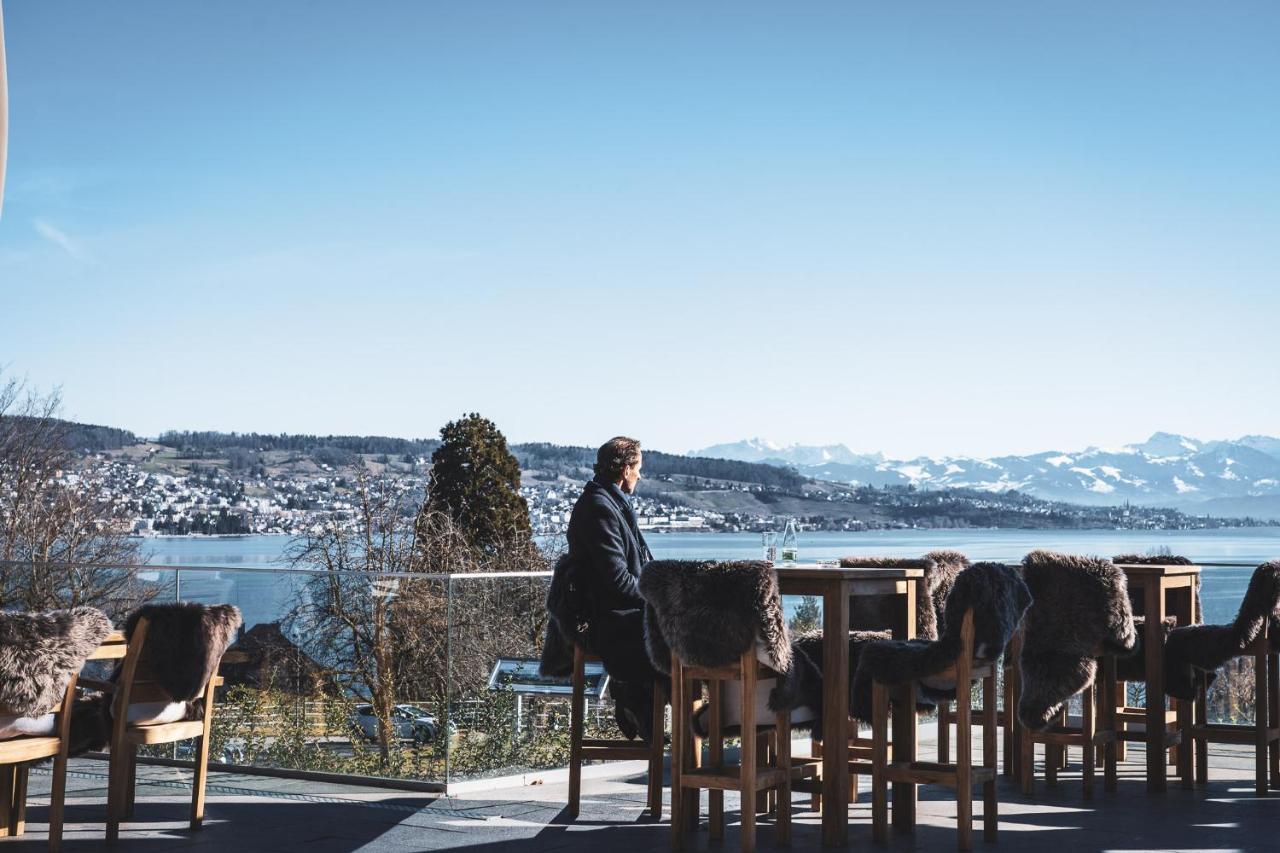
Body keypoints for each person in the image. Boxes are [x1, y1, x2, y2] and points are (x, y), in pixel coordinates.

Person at [566, 436, 662, 741]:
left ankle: (651, 705)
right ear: (624, 470)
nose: (640, 476)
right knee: (679, 638)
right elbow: (618, 581)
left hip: (614, 613)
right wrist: (658, 596)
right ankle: (644, 703)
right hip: (609, 620)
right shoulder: (600, 509)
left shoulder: (609, 504)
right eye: (638, 469)